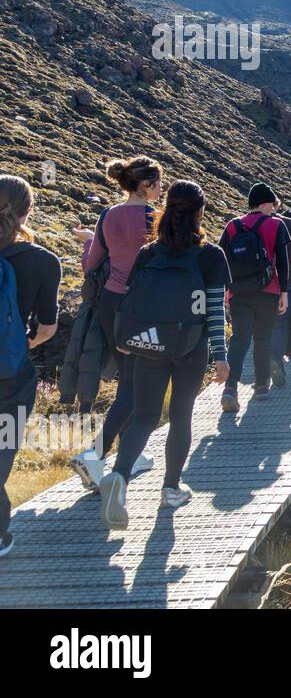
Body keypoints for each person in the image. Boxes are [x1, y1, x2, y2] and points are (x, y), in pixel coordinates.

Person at [97, 180, 231, 530]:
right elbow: (214, 311)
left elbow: (131, 301)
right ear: (201, 212)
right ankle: (171, 488)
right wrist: (221, 355)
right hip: (190, 347)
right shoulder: (210, 255)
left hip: (146, 343)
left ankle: (120, 476)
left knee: (143, 416)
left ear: (167, 208)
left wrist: (125, 339)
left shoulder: (149, 253)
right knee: (181, 415)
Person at [70, 156, 164, 491]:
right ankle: (96, 454)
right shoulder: (157, 217)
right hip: (144, 305)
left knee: (129, 375)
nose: (162, 188)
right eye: (159, 182)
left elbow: (92, 262)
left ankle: (130, 454)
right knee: (137, 384)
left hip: (111, 302)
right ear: (146, 185)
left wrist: (87, 242)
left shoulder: (108, 214)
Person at [0, 175, 61, 558]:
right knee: (3, 446)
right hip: (11, 375)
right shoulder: (43, 261)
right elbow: (47, 327)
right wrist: (17, 345)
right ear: (28, 211)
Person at [218, 183, 291, 413]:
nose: (274, 208)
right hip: (268, 291)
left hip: (239, 292)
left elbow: (222, 260)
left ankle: (230, 388)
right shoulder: (276, 225)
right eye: (273, 204)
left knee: (239, 339)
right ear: (265, 203)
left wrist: (227, 291)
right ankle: (261, 386)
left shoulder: (232, 225)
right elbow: (282, 262)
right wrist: (284, 293)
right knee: (263, 338)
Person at [269, 198, 291, 388]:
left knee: (259, 328)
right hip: (285, 281)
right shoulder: (290, 224)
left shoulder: (244, 223)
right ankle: (275, 358)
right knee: (281, 325)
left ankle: (257, 381)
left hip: (256, 284)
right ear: (277, 204)